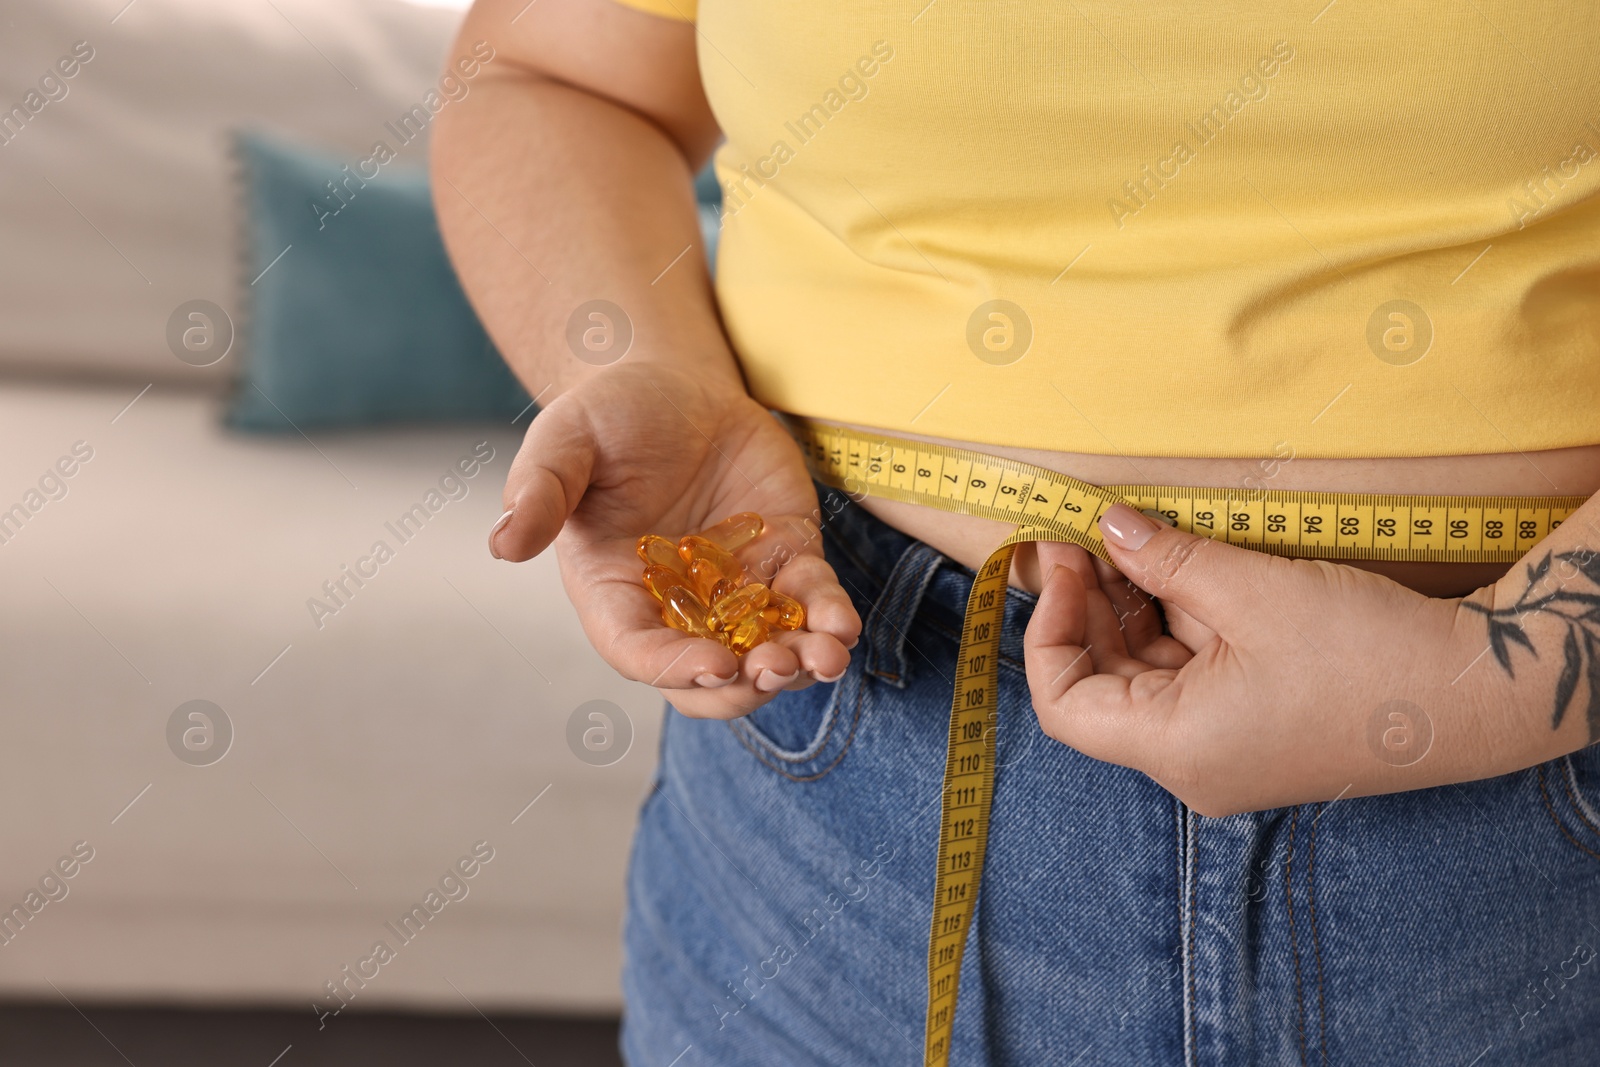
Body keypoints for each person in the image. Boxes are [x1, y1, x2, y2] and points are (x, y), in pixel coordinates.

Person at [433, 1, 1600, 1062]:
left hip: (1551, 825)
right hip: (849, 764)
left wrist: (1506, 676)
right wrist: (643, 362)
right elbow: (551, 78)